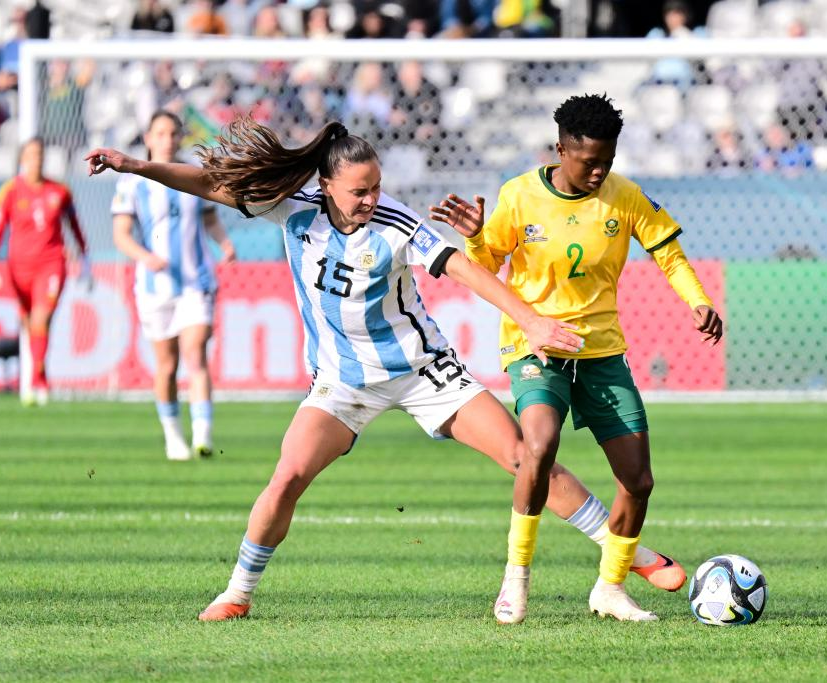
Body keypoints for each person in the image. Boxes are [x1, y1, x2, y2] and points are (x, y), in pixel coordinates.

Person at [85, 116, 686, 624]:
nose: (372, 199)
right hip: (342, 381)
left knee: (526, 456)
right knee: (287, 477)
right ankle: (238, 593)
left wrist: (527, 319)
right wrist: (137, 167)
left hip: (424, 371)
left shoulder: (397, 222)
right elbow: (211, 183)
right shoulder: (291, 209)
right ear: (326, 185)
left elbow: (463, 269)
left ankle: (620, 549)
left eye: (377, 186)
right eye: (359, 191)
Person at [430, 93, 723, 622]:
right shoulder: (517, 196)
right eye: (589, 162)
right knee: (538, 444)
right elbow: (485, 264)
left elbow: (669, 254)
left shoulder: (625, 197)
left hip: (602, 351)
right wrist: (475, 236)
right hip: (535, 345)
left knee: (638, 481)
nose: (598, 172)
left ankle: (609, 588)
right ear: (561, 148)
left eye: (607, 161)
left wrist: (698, 301)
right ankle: (515, 578)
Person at [109, 111, 235, 460]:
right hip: (155, 286)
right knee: (166, 365)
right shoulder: (132, 182)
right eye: (160, 133)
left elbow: (211, 218)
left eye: (173, 133)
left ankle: (203, 435)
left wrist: (224, 243)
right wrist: (145, 257)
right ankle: (173, 437)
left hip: (197, 281)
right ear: (148, 138)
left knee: (196, 354)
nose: (167, 139)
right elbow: (120, 234)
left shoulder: (193, 176)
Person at [0, 138, 89, 406]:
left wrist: (85, 261)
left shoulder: (60, 191)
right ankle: (37, 376)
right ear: (22, 159)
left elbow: (75, 227)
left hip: (52, 264)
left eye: (40, 154)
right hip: (18, 268)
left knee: (41, 320)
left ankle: (37, 381)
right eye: (31, 154)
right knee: (31, 325)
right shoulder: (10, 191)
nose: (36, 159)